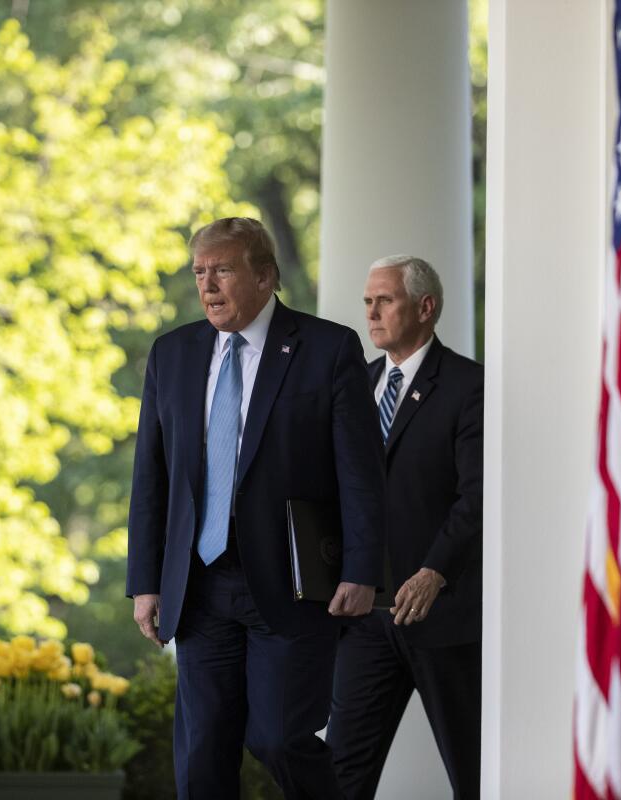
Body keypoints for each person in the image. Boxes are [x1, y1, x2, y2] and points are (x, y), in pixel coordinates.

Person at [127, 217, 386, 799]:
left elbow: (361, 474)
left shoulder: (327, 348)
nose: (208, 284)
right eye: (199, 272)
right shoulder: (172, 355)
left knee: (278, 739)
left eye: (222, 270)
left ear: (265, 276)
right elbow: (153, 478)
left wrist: (363, 571)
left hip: (292, 583)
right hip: (199, 586)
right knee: (201, 759)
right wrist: (147, 580)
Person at [326, 255, 483, 799]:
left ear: (425, 307)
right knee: (340, 775)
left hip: (447, 619)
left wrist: (435, 570)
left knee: (474, 774)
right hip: (368, 620)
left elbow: (477, 496)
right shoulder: (357, 385)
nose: (370, 312)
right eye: (367, 301)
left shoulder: (469, 386)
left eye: (384, 300)